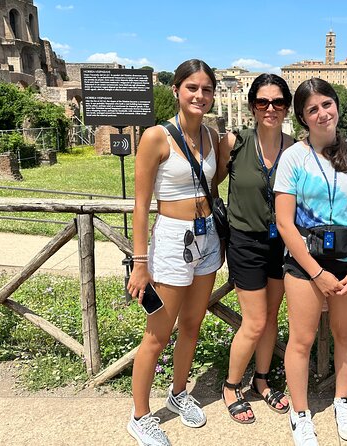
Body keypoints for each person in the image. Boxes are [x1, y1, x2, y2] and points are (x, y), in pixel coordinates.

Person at [126, 59, 223, 446]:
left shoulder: (215, 137)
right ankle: (140, 415)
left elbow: (213, 184)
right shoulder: (155, 137)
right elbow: (140, 203)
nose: (200, 95)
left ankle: (179, 392)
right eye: (192, 88)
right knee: (157, 334)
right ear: (177, 90)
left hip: (207, 239)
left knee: (193, 326)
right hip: (170, 240)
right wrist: (139, 262)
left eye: (207, 89)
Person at [274, 78, 347, 446]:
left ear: (337, 106)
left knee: (346, 334)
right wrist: (317, 274)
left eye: (326, 104)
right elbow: (284, 221)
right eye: (312, 109)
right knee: (301, 340)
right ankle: (300, 414)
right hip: (304, 263)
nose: (322, 113)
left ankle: (341, 401)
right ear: (302, 116)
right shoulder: (294, 157)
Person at [216, 73, 294, 423]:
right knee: (255, 319)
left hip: (281, 243)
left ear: (287, 108)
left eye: (278, 102)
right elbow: (208, 181)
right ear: (252, 107)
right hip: (245, 241)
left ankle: (261, 380)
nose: (270, 108)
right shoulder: (235, 142)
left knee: (271, 318)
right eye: (263, 102)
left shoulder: (294, 148)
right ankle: (232, 385)